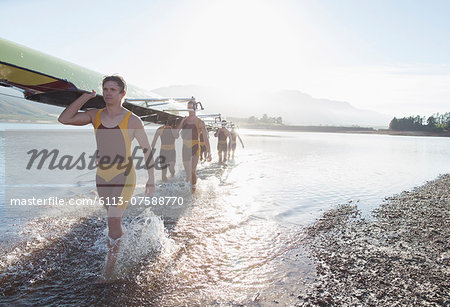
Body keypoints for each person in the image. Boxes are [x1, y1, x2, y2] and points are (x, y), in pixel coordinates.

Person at [58, 75, 155, 280]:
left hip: (125, 176)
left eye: (113, 90)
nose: (108, 93)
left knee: (112, 220)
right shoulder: (95, 115)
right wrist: (85, 97)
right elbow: (64, 119)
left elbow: (147, 151)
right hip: (102, 176)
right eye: (105, 89)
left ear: (122, 94)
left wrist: (151, 179)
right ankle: (121, 240)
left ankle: (108, 272)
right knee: (113, 219)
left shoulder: (133, 120)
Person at [175, 100, 211, 191]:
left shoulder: (200, 122)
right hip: (185, 148)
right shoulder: (184, 121)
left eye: (191, 108)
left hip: (195, 147)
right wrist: (181, 122)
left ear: (196, 108)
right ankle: (188, 188)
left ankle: (193, 191)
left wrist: (209, 152)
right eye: (188, 108)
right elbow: (175, 135)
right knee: (187, 172)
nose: (190, 110)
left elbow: (206, 139)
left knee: (192, 171)